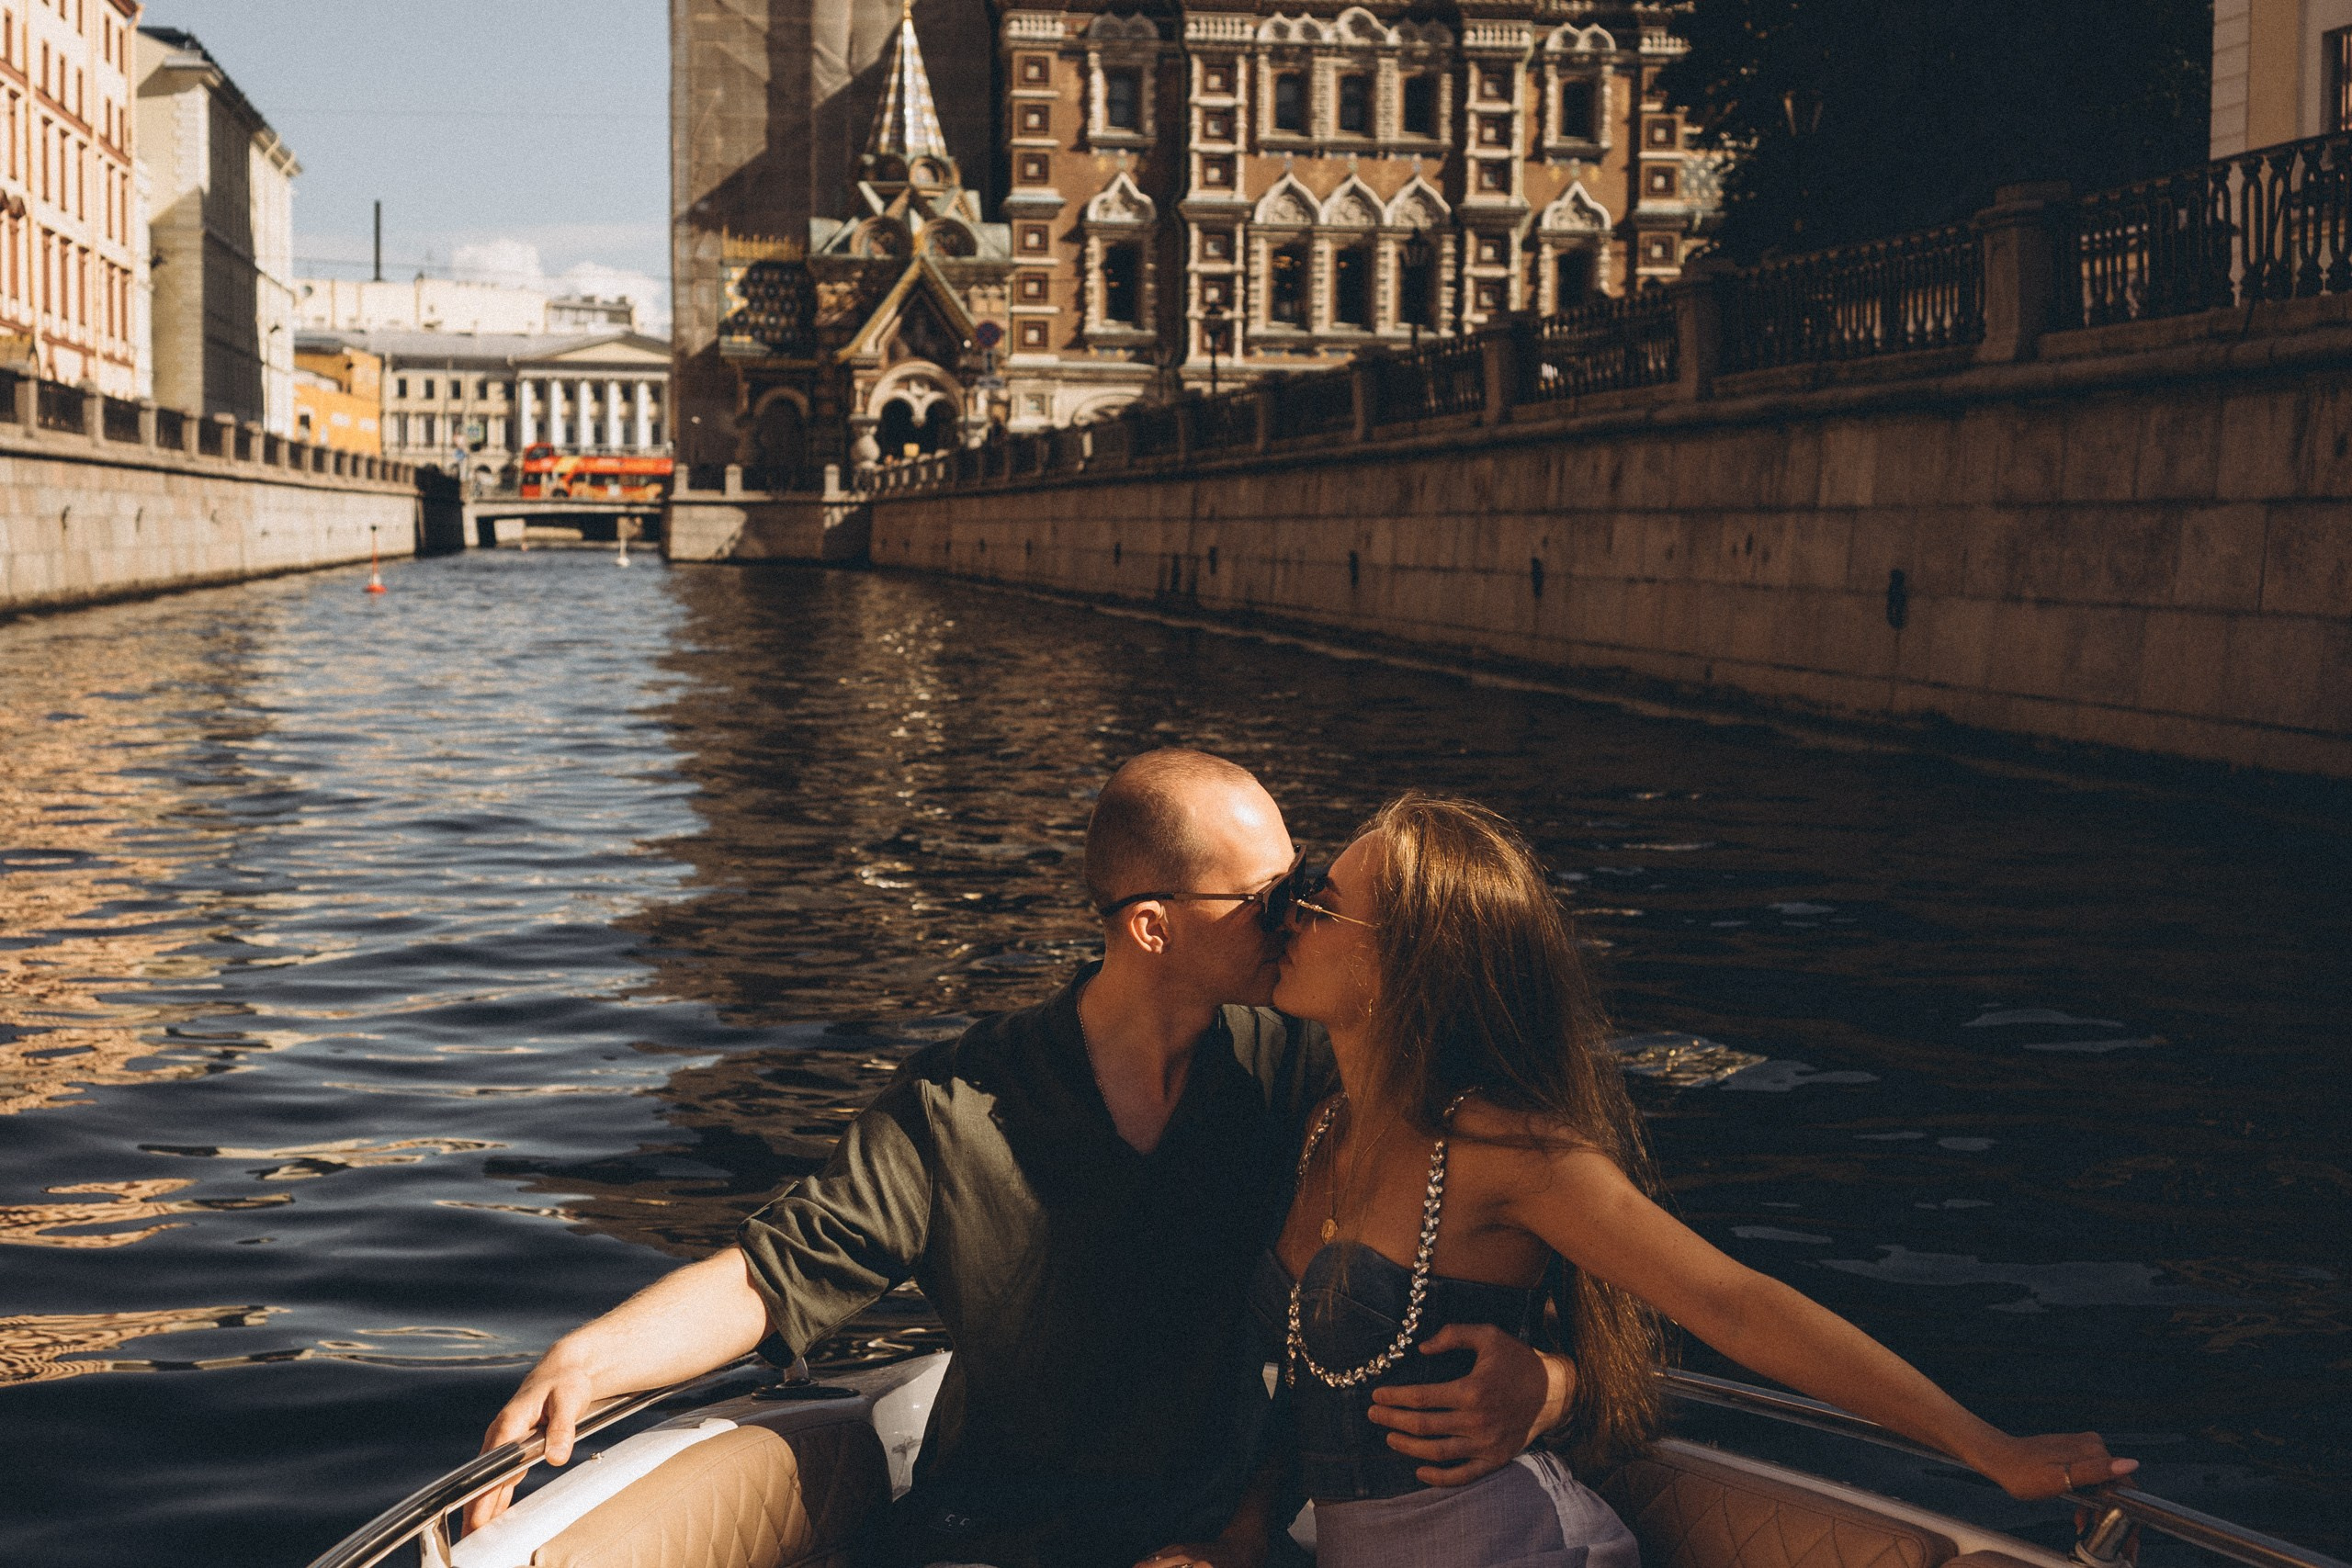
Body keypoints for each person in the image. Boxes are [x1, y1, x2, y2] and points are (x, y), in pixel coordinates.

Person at [469, 751, 1571, 1568]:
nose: (1301, 917)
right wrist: (588, 1359)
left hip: (1218, 1536)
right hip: (982, 1535)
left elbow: (1513, 1256)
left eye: (1307, 887)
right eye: (1271, 898)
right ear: (1151, 927)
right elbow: (775, 1273)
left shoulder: (1310, 1074)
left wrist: (1549, 1387)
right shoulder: (959, 1101)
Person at [1185, 794, 2138, 1568]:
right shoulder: (1318, 1124)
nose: (1292, 916)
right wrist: (1238, 1536)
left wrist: (1991, 1449)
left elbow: (1735, 1303)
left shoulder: (1504, 1152)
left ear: (1403, 967)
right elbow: (1298, 1386)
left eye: (1320, 901)